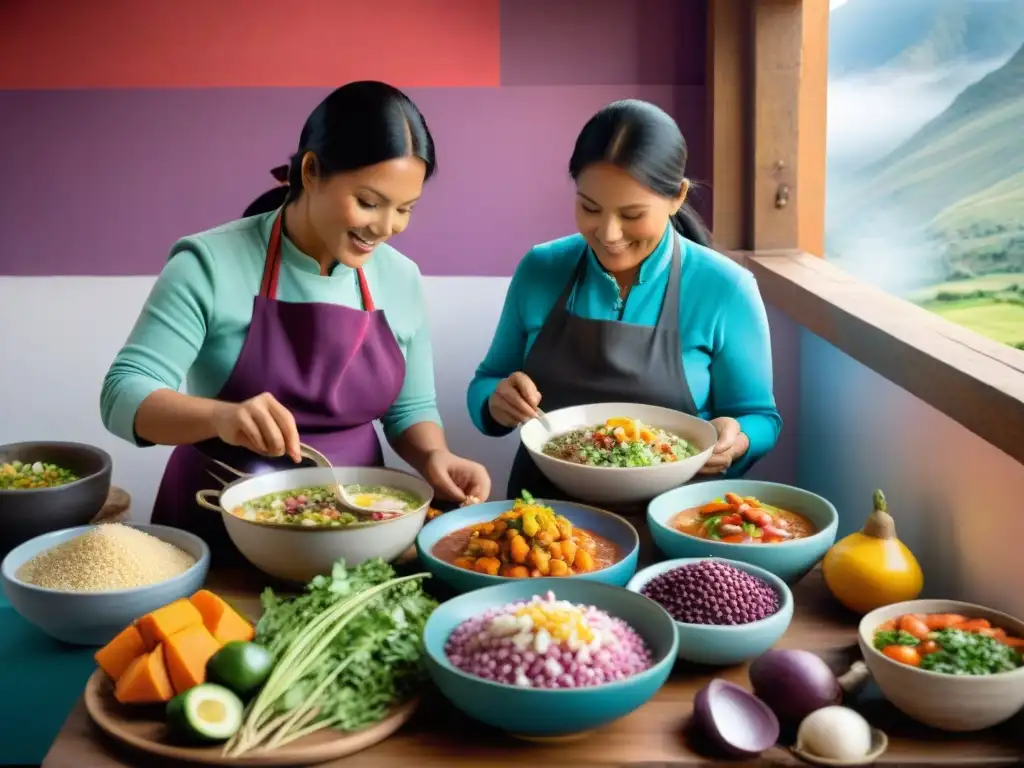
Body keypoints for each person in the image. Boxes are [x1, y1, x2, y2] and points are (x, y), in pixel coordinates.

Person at [102, 81, 491, 559]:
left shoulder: (401, 278)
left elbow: (409, 410)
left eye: (404, 209)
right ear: (311, 171)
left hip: (355, 527)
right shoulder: (209, 262)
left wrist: (436, 457)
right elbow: (122, 394)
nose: (385, 227)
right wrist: (222, 417)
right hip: (220, 522)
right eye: (369, 202)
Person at [467, 99, 781, 504]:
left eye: (632, 214)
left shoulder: (726, 288)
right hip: (545, 518)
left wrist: (736, 441)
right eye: (590, 208)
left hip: (673, 516)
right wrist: (496, 401)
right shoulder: (541, 268)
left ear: (677, 197)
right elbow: (488, 380)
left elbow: (760, 417)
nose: (610, 234)